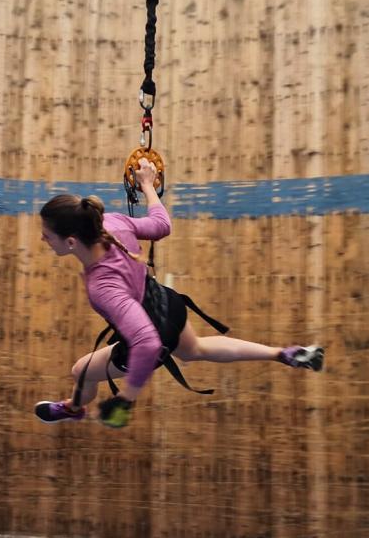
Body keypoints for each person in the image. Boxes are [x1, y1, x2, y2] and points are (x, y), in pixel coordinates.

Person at [34, 157, 324, 428]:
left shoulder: (103, 286)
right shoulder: (112, 222)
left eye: (47, 236)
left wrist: (127, 398)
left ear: (71, 242)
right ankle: (283, 353)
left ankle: (74, 408)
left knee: (80, 372)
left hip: (154, 335)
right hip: (167, 304)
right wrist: (148, 185)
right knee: (195, 349)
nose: (43, 239)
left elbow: (146, 343)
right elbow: (162, 225)